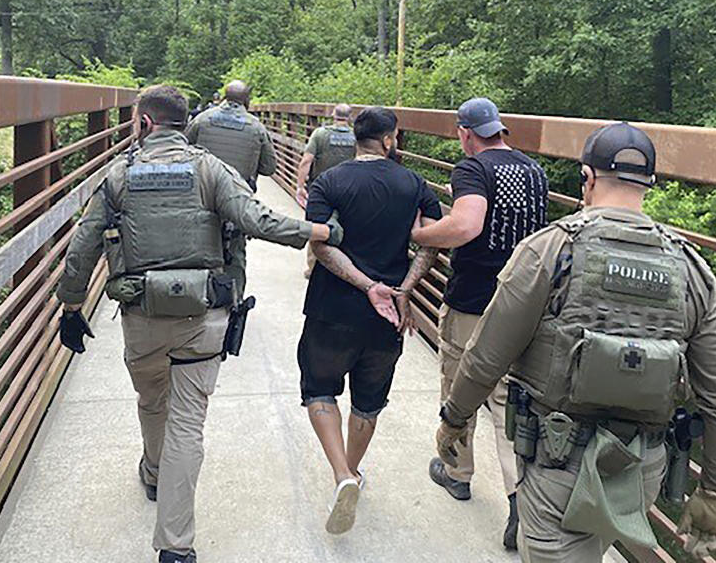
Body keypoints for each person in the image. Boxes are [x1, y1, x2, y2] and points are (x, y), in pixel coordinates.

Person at [435, 122, 716, 562]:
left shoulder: (550, 250)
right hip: (640, 471)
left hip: (557, 460)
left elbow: (486, 356)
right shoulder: (690, 269)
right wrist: (714, 492)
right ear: (649, 185)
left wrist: (455, 418)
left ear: (588, 178)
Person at [56, 85, 341, 563]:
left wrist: (70, 308)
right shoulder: (211, 169)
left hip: (142, 317)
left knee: (152, 400)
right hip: (203, 317)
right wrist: (320, 232)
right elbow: (257, 217)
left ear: (144, 124)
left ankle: (152, 471)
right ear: (181, 123)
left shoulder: (119, 174)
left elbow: (83, 246)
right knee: (187, 425)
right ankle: (175, 547)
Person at [411, 97, 548, 549]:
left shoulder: (471, 169)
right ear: (501, 130)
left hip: (473, 300)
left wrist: (419, 234)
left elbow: (466, 226)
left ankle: (457, 472)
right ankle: (518, 500)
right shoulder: (535, 172)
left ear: (464, 133)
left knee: (460, 386)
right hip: (522, 305)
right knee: (510, 402)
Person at [300, 106, 442, 536]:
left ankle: (341, 473)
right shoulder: (414, 184)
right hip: (388, 316)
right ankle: (354, 471)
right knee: (368, 401)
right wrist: (401, 290)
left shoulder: (330, 181)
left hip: (331, 308)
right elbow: (431, 244)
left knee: (320, 390)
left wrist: (364, 285)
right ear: (388, 140)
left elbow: (320, 243)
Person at [185, 79, 277, 299]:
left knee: (196, 245)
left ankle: (195, 296)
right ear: (247, 100)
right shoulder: (256, 126)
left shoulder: (202, 119)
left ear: (225, 97)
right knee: (236, 252)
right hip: (236, 200)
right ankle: (234, 302)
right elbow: (269, 167)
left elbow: (183, 149)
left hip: (201, 196)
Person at [295, 103, 356, 277]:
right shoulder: (356, 137)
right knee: (346, 225)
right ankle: (342, 268)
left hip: (320, 188)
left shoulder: (320, 134)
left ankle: (313, 268)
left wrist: (300, 186)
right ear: (350, 117)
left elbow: (306, 161)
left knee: (317, 226)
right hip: (348, 189)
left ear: (332, 115)